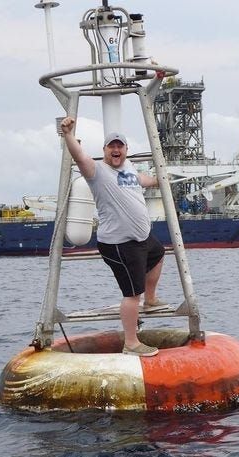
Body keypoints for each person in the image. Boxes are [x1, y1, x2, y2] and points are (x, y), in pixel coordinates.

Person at [61, 116, 167, 357]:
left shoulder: (129, 169)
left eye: (120, 146)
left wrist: (158, 182)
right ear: (105, 151)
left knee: (159, 254)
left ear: (126, 150)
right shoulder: (97, 172)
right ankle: (131, 343)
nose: (116, 149)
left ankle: (150, 299)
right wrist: (68, 135)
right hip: (119, 244)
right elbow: (80, 157)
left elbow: (142, 180)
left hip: (141, 240)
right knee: (131, 294)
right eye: (112, 146)